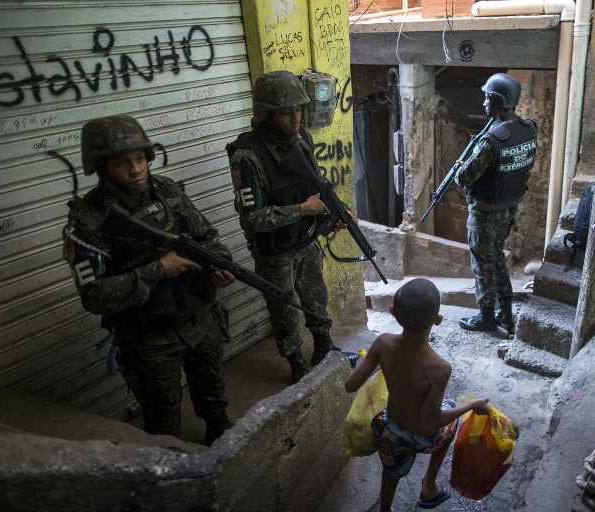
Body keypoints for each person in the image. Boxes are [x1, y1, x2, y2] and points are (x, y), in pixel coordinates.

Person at [63, 114, 235, 446]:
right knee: (162, 422)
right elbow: (94, 296)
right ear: (101, 167)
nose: (136, 169)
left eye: (140, 158)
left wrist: (219, 265)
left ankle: (220, 438)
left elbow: (208, 236)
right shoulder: (88, 222)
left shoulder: (168, 191)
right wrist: (157, 269)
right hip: (149, 339)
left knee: (214, 398)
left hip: (199, 320)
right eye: (122, 162)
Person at [227, 70, 357, 384]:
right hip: (275, 252)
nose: (295, 118)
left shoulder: (302, 139)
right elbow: (253, 219)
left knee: (316, 298)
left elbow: (314, 186)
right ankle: (296, 361)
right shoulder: (247, 156)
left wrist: (331, 213)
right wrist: (301, 210)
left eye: (298, 109)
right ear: (266, 115)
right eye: (286, 113)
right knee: (284, 311)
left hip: (306, 241)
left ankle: (324, 347)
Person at [345, 278, 490, 512]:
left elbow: (350, 386)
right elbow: (431, 421)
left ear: (392, 312)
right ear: (438, 320)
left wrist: (370, 361)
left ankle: (385, 509)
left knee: (391, 470)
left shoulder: (382, 343)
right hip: (422, 437)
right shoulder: (439, 368)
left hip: (388, 429)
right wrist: (472, 405)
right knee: (451, 415)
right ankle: (429, 486)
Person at [454, 72, 538, 335]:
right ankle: (507, 314)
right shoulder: (528, 129)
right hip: (509, 207)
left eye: (486, 98)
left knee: (482, 263)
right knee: (498, 259)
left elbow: (464, 177)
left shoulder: (492, 141)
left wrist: (459, 168)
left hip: (485, 212)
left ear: (495, 100)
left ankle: (487, 317)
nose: (483, 103)